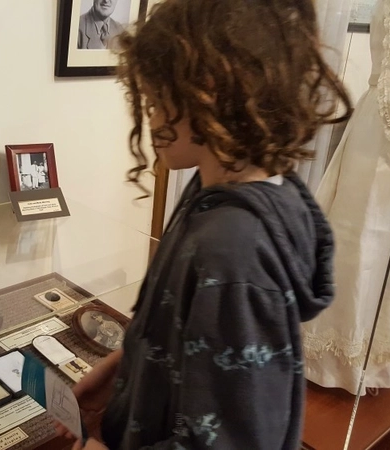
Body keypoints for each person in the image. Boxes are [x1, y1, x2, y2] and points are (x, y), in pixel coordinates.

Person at [55, 0, 352, 448]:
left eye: (155, 101)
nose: (150, 119)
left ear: (205, 94)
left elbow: (240, 439)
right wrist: (122, 366)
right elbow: (181, 325)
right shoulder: (215, 193)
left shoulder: (234, 250)